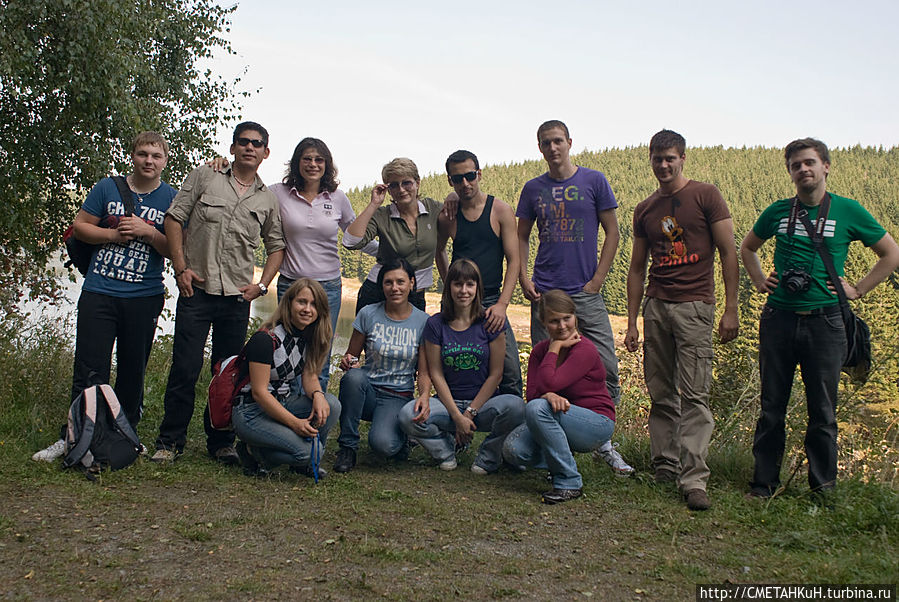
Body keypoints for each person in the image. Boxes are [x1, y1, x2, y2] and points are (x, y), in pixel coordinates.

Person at [740, 138, 899, 499]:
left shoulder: (848, 210)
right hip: (779, 316)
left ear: (825, 166)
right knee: (771, 408)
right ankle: (762, 485)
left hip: (826, 321)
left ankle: (823, 491)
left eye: (809, 163)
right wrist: (758, 278)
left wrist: (857, 289)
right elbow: (747, 247)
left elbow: (890, 254)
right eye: (796, 165)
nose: (803, 170)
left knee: (823, 412)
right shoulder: (779, 211)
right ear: (790, 172)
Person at [32, 132, 175, 462]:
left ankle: (124, 438)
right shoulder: (107, 188)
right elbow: (80, 227)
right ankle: (71, 437)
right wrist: (113, 234)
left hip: (144, 295)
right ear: (133, 156)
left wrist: (148, 232)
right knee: (88, 369)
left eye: (156, 155)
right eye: (143, 154)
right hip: (100, 291)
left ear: (165, 160)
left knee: (132, 370)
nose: (149, 161)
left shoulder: (171, 198)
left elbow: (175, 249)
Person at [152, 121, 285, 464]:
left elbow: (277, 246)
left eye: (256, 144)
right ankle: (170, 442)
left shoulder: (267, 199)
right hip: (197, 289)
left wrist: (262, 285)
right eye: (243, 142)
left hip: (237, 299)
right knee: (185, 367)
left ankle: (221, 442)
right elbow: (174, 219)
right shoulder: (205, 177)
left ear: (265, 153)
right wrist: (180, 268)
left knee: (227, 372)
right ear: (233, 147)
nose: (249, 148)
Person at [624, 129, 739, 511]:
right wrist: (632, 321)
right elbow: (637, 268)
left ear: (683, 158)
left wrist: (730, 307)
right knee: (661, 392)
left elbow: (728, 253)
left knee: (695, 395)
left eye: (670, 157)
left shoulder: (705, 195)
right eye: (658, 158)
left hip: (694, 307)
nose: (664, 165)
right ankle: (664, 465)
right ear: (651, 160)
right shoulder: (646, 209)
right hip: (657, 306)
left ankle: (694, 480)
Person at [515, 119, 632, 476]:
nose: (553, 148)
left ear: (569, 142)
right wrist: (523, 275)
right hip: (546, 292)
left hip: (585, 292)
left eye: (558, 141)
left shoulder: (594, 181)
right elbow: (520, 237)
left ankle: (602, 442)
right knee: (546, 368)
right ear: (539, 148)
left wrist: (598, 279)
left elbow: (613, 232)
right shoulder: (533, 188)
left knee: (606, 365)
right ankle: (552, 446)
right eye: (546, 143)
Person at [268, 137, 377, 390]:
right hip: (291, 285)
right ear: (297, 163)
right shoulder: (278, 193)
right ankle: (291, 421)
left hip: (327, 287)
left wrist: (386, 252)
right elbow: (248, 188)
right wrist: (222, 166)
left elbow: (354, 237)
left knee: (320, 357)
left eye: (319, 159)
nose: (313, 164)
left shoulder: (338, 198)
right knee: (287, 354)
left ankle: (316, 426)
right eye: (307, 158)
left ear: (327, 164)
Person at [400, 259, 524, 473]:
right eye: (457, 284)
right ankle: (445, 451)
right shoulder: (436, 324)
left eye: (470, 284)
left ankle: (488, 456)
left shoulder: (491, 322)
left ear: (478, 288)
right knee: (407, 415)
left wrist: (468, 414)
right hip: (448, 404)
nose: (463, 291)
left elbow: (496, 375)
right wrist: (457, 416)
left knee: (517, 407)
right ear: (449, 287)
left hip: (483, 405)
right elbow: (436, 373)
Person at [503, 290, 616, 504]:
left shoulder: (585, 349)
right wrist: (548, 395)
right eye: (554, 321)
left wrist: (554, 347)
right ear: (544, 323)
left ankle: (569, 481)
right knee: (514, 451)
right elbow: (534, 394)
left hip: (595, 422)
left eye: (567, 318)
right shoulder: (539, 352)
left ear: (575, 317)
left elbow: (548, 384)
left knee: (538, 408)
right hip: (556, 416)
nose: (562, 326)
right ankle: (561, 461)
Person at [231, 279, 340, 477]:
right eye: (302, 302)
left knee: (332, 405)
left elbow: (309, 375)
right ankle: (253, 452)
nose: (307, 309)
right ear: (289, 303)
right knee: (309, 452)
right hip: (251, 412)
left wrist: (317, 394)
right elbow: (260, 393)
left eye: (314, 304)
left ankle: (306, 459)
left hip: (283, 402)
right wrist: (295, 424)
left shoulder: (308, 338)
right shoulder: (265, 339)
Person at [436, 149, 523, 397]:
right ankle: (455, 421)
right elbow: (439, 250)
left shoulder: (500, 211)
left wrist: (503, 305)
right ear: (449, 181)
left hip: (491, 301)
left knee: (510, 372)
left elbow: (514, 260)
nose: (465, 183)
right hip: (458, 301)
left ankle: (511, 431)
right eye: (457, 179)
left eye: (470, 175)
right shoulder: (448, 216)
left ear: (479, 174)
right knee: (453, 367)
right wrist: (448, 286)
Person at [333, 258, 431, 473]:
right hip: (367, 390)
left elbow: (423, 372)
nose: (394, 288)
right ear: (382, 285)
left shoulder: (423, 322)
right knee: (353, 378)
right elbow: (352, 355)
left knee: (383, 446)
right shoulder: (368, 313)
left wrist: (424, 396)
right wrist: (347, 362)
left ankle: (401, 438)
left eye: (400, 282)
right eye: (388, 282)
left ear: (412, 284)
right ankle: (347, 447)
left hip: (397, 395)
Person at [342, 157, 446, 313]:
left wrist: (454, 197)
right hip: (379, 292)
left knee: (414, 338)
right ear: (388, 190)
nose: (401, 189)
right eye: (394, 185)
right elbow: (350, 242)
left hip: (416, 294)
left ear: (417, 183)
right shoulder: (382, 215)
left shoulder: (433, 209)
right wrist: (373, 204)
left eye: (406, 183)